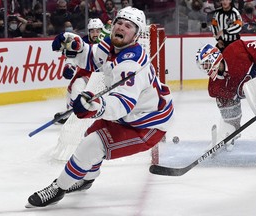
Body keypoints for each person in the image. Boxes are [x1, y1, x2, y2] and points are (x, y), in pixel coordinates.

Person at [26, 6, 174, 208]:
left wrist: (95, 105)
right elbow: (92, 58)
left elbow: (123, 104)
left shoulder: (131, 64)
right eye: (119, 23)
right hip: (130, 116)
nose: (121, 27)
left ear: (137, 34)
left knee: (92, 146)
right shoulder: (112, 45)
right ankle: (86, 179)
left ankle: (58, 188)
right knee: (90, 137)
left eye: (128, 26)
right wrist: (76, 44)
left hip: (147, 125)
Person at [195, 39, 256, 151]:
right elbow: (232, 104)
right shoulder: (215, 87)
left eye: (206, 64)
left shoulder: (235, 51)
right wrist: (230, 126)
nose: (206, 68)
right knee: (223, 101)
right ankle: (228, 131)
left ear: (214, 57)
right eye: (203, 66)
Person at [54, 18, 105, 124]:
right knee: (73, 88)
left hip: (104, 74)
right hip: (86, 72)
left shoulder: (107, 42)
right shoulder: (82, 41)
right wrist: (70, 66)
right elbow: (73, 56)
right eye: (92, 31)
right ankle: (71, 113)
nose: (95, 34)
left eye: (97, 31)